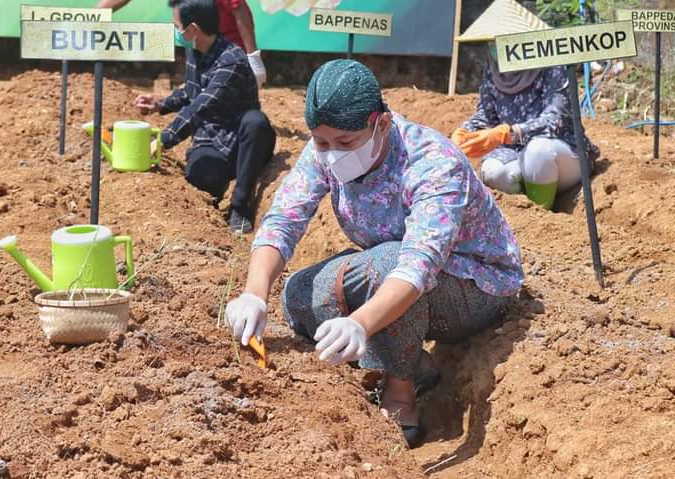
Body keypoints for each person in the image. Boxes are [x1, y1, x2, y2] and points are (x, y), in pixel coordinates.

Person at [225, 60, 524, 448]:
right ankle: (413, 358)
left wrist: (361, 324)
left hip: (474, 286)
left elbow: (419, 264)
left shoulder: (432, 162)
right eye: (321, 142)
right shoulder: (327, 149)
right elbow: (284, 218)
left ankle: (402, 392)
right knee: (296, 297)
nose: (331, 155)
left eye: (345, 143)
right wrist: (253, 293)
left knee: (388, 265)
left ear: (381, 124)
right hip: (393, 266)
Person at [134, 0, 275, 233]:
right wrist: (160, 105)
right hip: (210, 137)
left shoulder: (232, 61)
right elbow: (191, 91)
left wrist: (161, 142)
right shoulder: (194, 51)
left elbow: (200, 107)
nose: (175, 31)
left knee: (255, 122)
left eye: (177, 26)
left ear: (193, 30)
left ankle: (240, 204)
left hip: (242, 140)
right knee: (203, 178)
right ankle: (222, 186)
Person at [451, 43, 600, 210]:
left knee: (538, 151)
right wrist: (466, 131)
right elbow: (486, 115)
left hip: (560, 152)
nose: (495, 46)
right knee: (493, 172)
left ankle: (544, 214)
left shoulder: (552, 65)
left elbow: (555, 119)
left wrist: (512, 133)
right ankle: (526, 211)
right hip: (515, 152)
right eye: (492, 42)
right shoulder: (493, 68)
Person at [95, 0, 266, 86]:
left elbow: (239, 9)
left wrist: (252, 57)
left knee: (227, 100)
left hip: (229, 43)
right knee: (198, 94)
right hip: (195, 40)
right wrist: (94, 15)